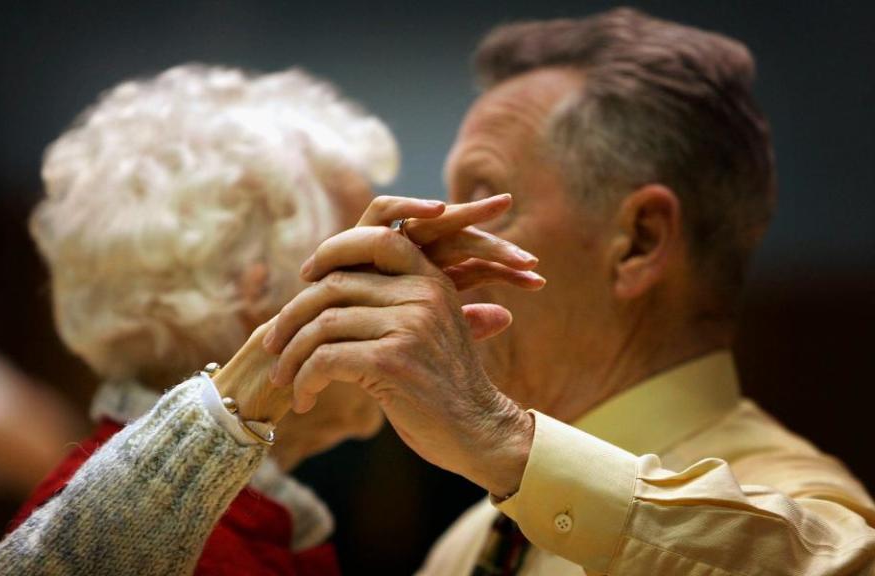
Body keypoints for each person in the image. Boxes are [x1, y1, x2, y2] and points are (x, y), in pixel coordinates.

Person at [262, 8, 875, 575]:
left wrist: (502, 442)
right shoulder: (471, 539)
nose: (432, 253)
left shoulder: (804, 500)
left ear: (637, 241)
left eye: (485, 202)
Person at [0, 64, 543, 575]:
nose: (410, 286)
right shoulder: (138, 533)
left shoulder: (254, 516)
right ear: (255, 294)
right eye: (367, 260)